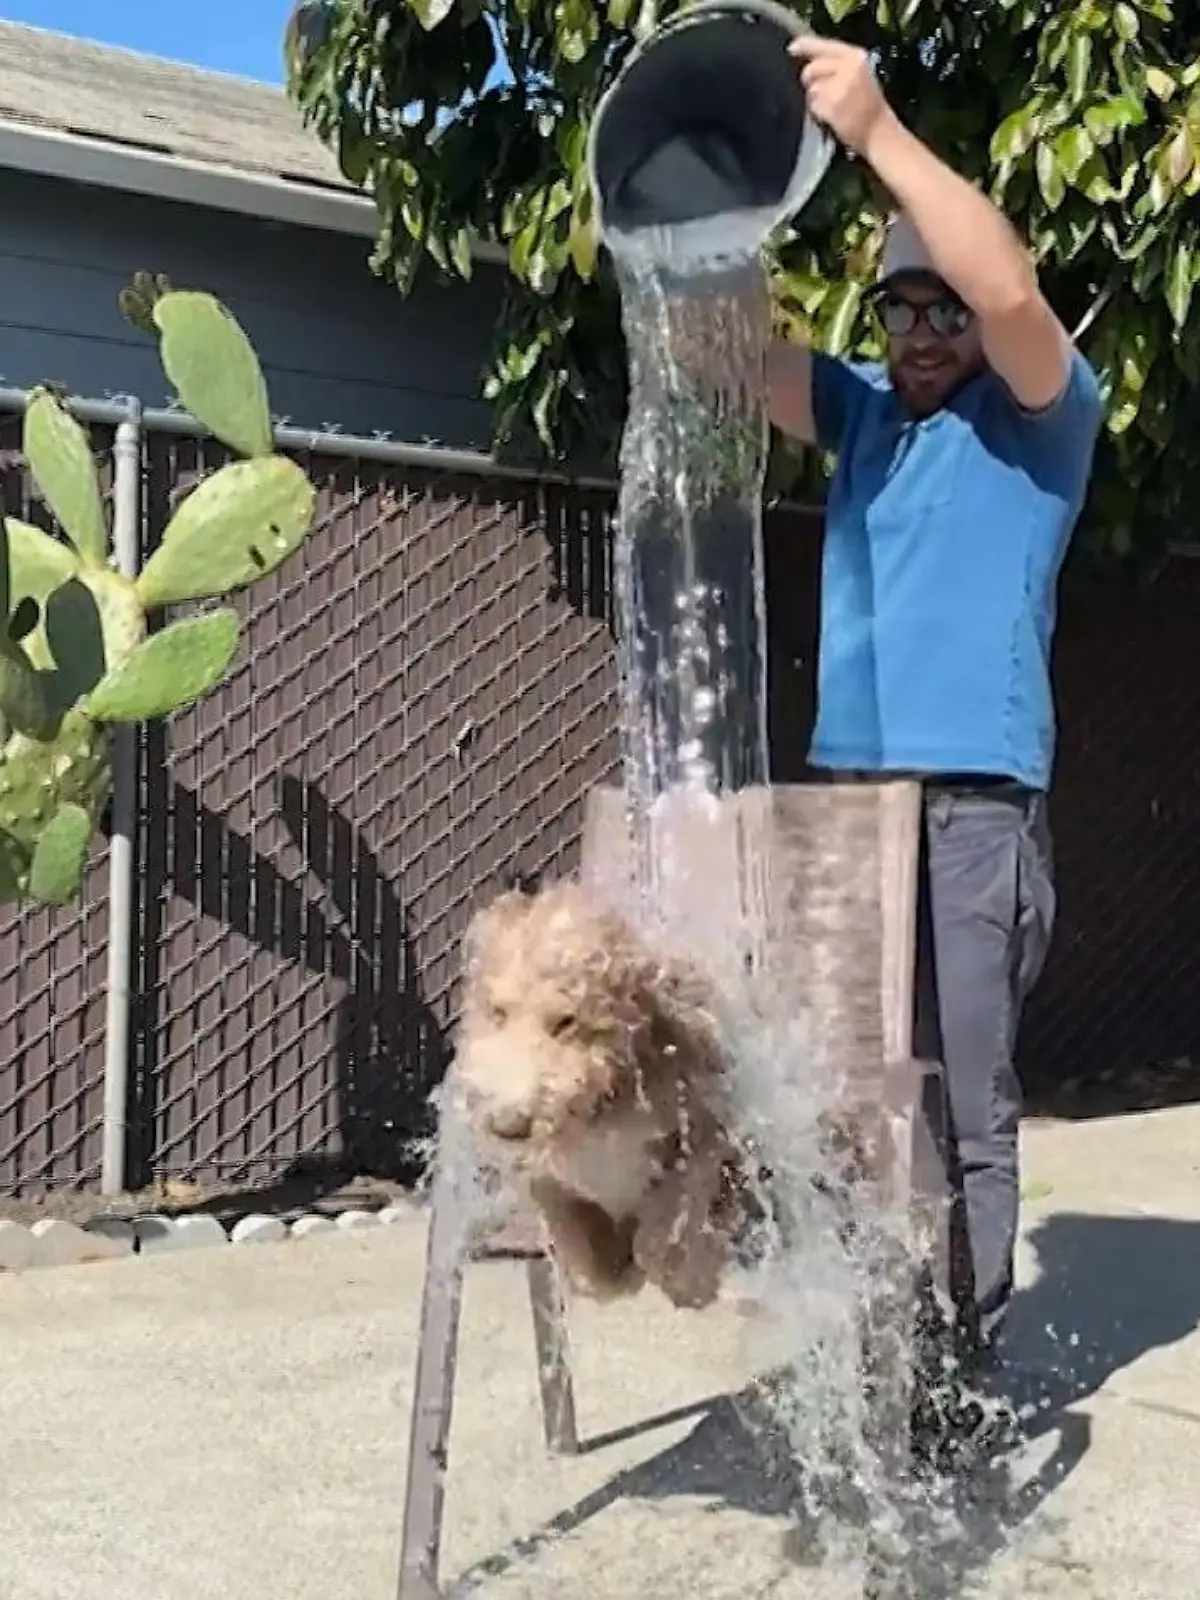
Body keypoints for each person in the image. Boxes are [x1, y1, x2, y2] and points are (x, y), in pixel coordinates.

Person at [766, 36, 1105, 1391]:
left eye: (941, 310)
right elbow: (727, 351)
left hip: (973, 814)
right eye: (899, 309)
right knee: (855, 1103)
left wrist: (879, 126)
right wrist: (710, 190)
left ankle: (963, 1368)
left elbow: (1013, 285)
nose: (922, 332)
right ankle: (877, 1341)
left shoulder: (1040, 420)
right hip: (855, 812)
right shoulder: (859, 421)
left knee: (969, 1103)